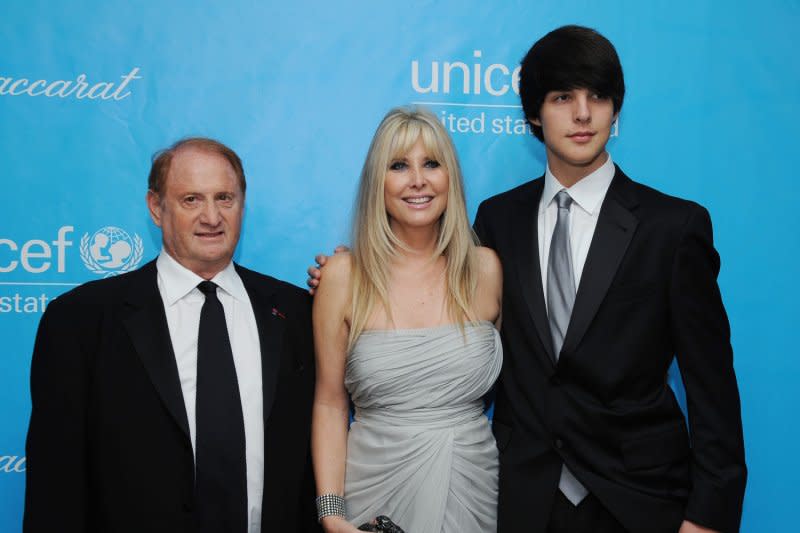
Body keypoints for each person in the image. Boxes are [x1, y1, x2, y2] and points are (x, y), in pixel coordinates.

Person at [310, 26, 746, 533]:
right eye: (563, 97)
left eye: (598, 96)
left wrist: (708, 517)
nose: (583, 114)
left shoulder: (673, 227)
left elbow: (713, 388)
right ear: (535, 115)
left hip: (641, 501)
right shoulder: (498, 223)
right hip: (522, 499)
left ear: (615, 109)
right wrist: (345, 271)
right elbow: (420, 271)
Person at [24, 137, 320, 533]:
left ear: (242, 204)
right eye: (191, 200)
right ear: (156, 207)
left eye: (225, 198)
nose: (212, 217)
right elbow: (55, 483)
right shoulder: (80, 321)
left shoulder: (297, 312)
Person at [311, 107, 503, 533]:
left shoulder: (486, 270)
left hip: (470, 485)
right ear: (377, 183)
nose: (418, 180)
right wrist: (330, 512)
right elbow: (329, 402)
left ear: (450, 177)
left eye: (431, 164)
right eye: (399, 165)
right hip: (373, 488)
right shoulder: (342, 277)